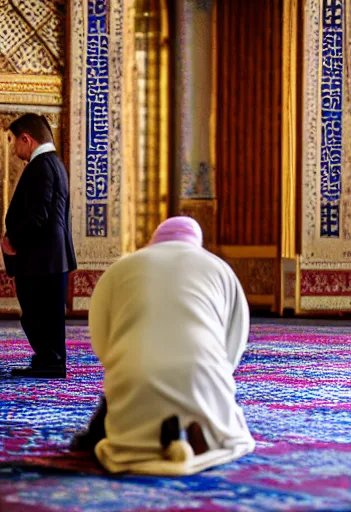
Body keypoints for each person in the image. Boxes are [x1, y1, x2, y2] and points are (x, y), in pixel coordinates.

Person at [72, 216, 255, 475]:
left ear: (153, 242)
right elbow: (234, 343)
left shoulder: (122, 267)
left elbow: (102, 339)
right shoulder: (218, 268)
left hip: (135, 374)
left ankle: (142, 437)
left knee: (125, 408)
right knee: (217, 407)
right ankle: (203, 430)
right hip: (202, 376)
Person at [3, 114, 76, 379]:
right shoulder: (53, 164)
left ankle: (51, 363)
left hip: (42, 258)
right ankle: (48, 360)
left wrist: (13, 242)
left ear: (27, 139)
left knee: (39, 313)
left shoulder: (41, 166)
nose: (13, 149)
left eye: (13, 141)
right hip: (49, 258)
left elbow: (38, 217)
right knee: (45, 314)